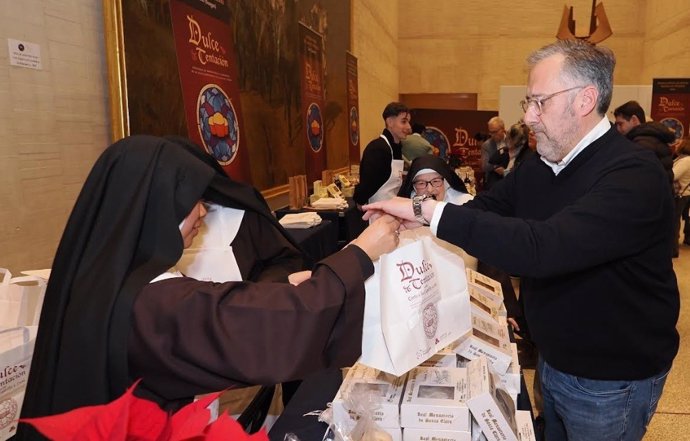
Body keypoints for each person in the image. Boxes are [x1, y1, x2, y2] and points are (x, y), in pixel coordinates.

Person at [364, 39, 679, 441]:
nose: (528, 116)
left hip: (609, 379)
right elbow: (489, 207)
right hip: (553, 359)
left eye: (539, 102)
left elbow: (544, 247)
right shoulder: (542, 165)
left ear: (585, 100)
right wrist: (418, 219)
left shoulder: (634, 175)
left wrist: (428, 212)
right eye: (528, 102)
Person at [17, 135, 400, 440]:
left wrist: (296, 283)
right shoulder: (153, 301)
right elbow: (255, 328)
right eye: (192, 201)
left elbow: (220, 309)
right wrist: (360, 253)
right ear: (153, 208)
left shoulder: (100, 278)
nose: (203, 212)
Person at [353, 102, 411, 206]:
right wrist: (360, 200)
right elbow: (368, 184)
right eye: (404, 122)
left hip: (392, 207)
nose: (409, 127)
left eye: (408, 122)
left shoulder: (396, 147)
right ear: (390, 122)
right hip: (376, 209)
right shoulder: (378, 149)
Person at [613, 100, 675, 187]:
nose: (618, 129)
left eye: (620, 124)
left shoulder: (641, 145)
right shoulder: (651, 138)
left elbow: (634, 180)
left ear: (634, 120)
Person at [480, 116, 507, 190]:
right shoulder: (486, 145)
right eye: (490, 132)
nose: (492, 135)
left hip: (508, 179)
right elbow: (485, 166)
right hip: (492, 182)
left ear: (503, 130)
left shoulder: (511, 141)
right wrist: (497, 167)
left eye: (494, 132)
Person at [673, 139, 690, 251]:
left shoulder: (685, 160)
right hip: (686, 192)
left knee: (674, 220)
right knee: (687, 218)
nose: (675, 145)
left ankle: (673, 248)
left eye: (678, 143)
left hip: (681, 194)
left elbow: (673, 175)